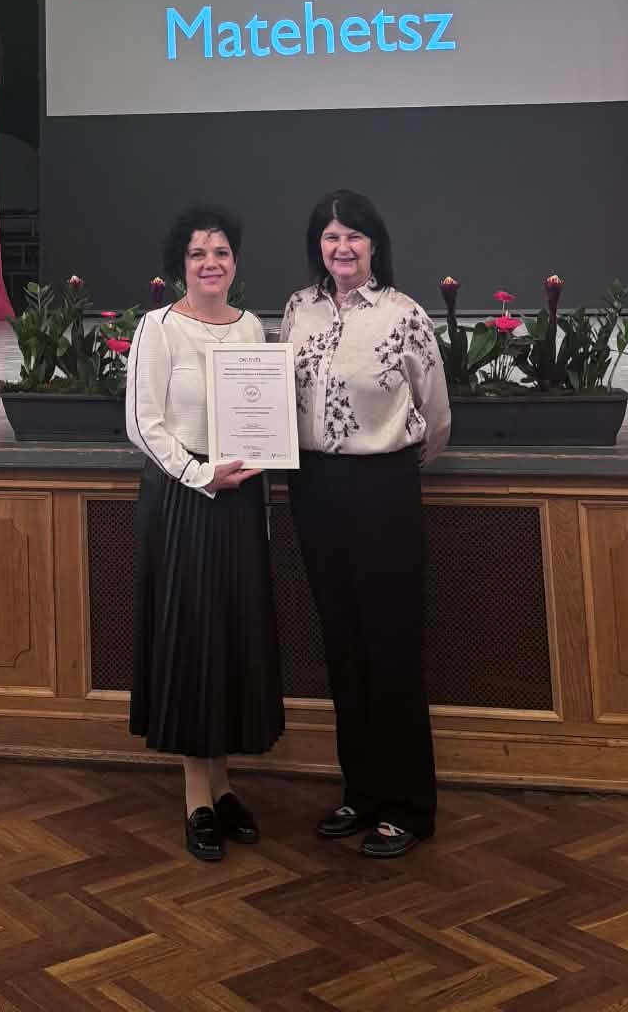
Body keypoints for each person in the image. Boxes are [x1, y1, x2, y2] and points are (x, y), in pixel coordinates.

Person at [278, 188, 449, 859]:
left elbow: (436, 419)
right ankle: (362, 792)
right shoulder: (297, 309)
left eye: (353, 235)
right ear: (317, 247)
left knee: (391, 644)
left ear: (374, 244)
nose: (342, 247)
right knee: (342, 643)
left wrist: (387, 463)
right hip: (313, 487)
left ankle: (408, 806)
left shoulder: (404, 316)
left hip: (383, 489)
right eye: (330, 237)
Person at [126, 205, 284, 863]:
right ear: (180, 265)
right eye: (198, 254)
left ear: (234, 262)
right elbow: (144, 424)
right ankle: (195, 796)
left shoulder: (251, 328)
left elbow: (262, 411)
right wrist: (199, 475)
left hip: (240, 501)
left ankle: (223, 785)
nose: (211, 263)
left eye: (221, 252)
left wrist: (261, 457)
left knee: (232, 638)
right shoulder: (158, 328)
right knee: (192, 641)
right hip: (185, 500)